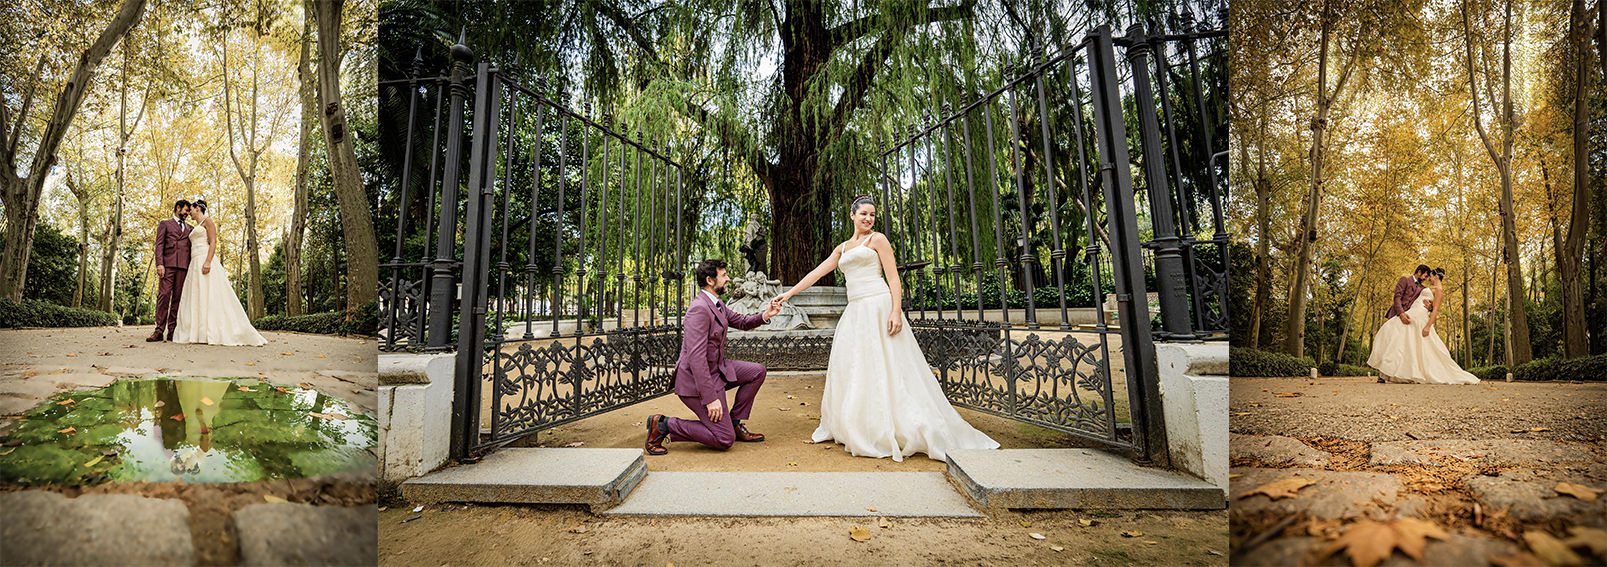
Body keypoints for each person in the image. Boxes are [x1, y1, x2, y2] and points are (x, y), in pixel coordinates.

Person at [769, 195, 999, 462]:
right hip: (855, 311)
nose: (868, 218)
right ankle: (862, 424)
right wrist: (788, 294)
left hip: (878, 305)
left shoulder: (877, 240)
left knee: (889, 364)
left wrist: (895, 311)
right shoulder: (842, 248)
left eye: (872, 215)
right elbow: (817, 272)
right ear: (852, 215)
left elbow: (893, 278)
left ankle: (899, 424)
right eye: (863, 214)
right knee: (857, 367)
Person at [644, 259, 780, 454]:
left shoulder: (717, 303)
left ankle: (733, 423)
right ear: (710, 280)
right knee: (724, 439)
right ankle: (664, 424)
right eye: (723, 275)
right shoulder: (699, 309)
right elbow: (696, 359)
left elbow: (742, 322)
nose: (728, 279)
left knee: (757, 372)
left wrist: (766, 315)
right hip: (695, 382)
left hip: (717, 370)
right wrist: (710, 399)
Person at [171, 199, 268, 346]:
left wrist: (208, 261)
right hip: (194, 263)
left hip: (204, 259)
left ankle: (215, 331)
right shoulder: (195, 226)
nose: (189, 212)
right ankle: (199, 333)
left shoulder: (208, 221)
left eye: (191, 209)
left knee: (210, 295)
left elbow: (213, 242)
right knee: (198, 296)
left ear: (197, 209)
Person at [1367, 267, 1478, 384]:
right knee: (1396, 337)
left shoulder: (1438, 290)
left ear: (1436, 276)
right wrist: (1403, 313)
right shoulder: (1409, 282)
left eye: (1430, 276)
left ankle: (1396, 373)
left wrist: (1428, 324)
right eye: (1426, 275)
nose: (1428, 278)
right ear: (1419, 272)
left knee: (1404, 341)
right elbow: (1398, 297)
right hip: (1409, 313)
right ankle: (1388, 372)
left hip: (1418, 316)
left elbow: (1435, 310)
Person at [149, 200, 194, 342]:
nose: (187, 213)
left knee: (177, 299)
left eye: (189, 211)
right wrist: (159, 264)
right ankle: (159, 330)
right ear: (178, 208)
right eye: (186, 210)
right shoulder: (165, 224)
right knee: (164, 296)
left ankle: (172, 330)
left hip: (183, 267)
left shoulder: (190, 228)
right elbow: (159, 245)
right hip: (167, 265)